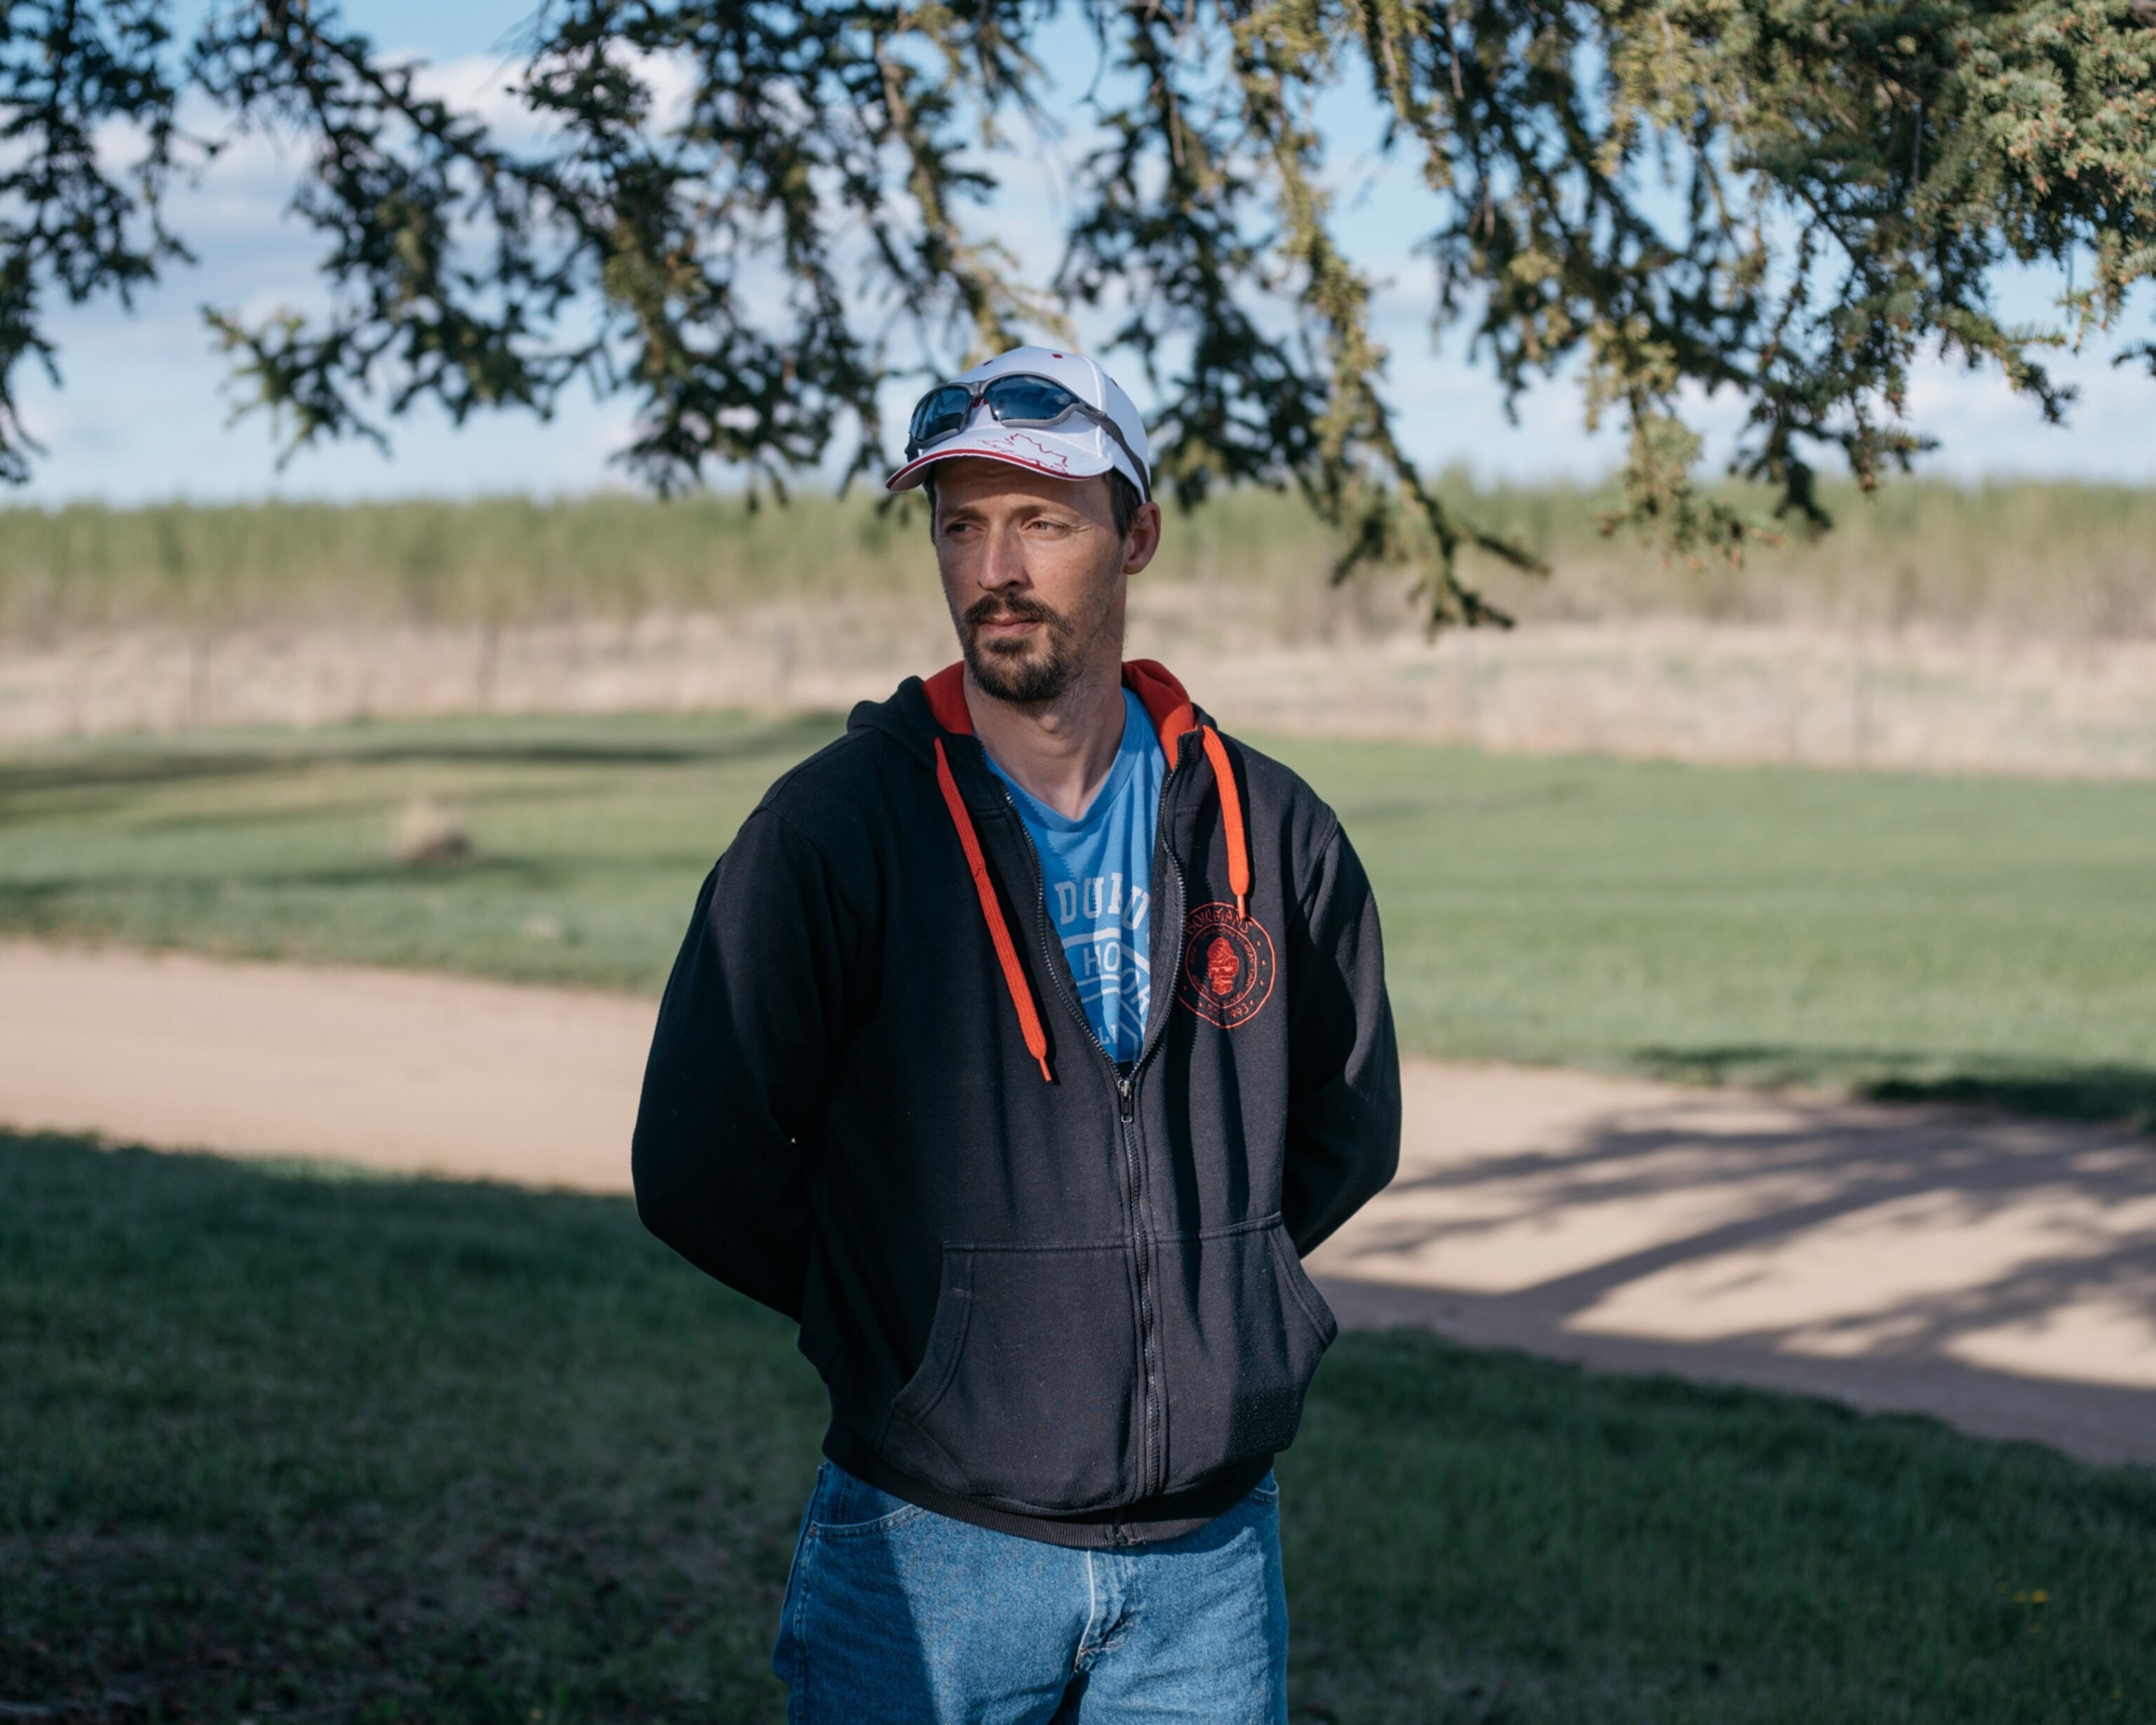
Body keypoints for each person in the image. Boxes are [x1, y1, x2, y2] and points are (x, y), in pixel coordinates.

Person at [632, 345, 1401, 1720]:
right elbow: (700, 1156)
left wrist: (1213, 1281)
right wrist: (921, 1325)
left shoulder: (1273, 830)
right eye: (960, 520)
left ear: (1138, 534)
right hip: (930, 1549)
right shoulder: (834, 830)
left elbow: (1346, 1124)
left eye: (1042, 519)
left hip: (1207, 1574)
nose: (995, 563)